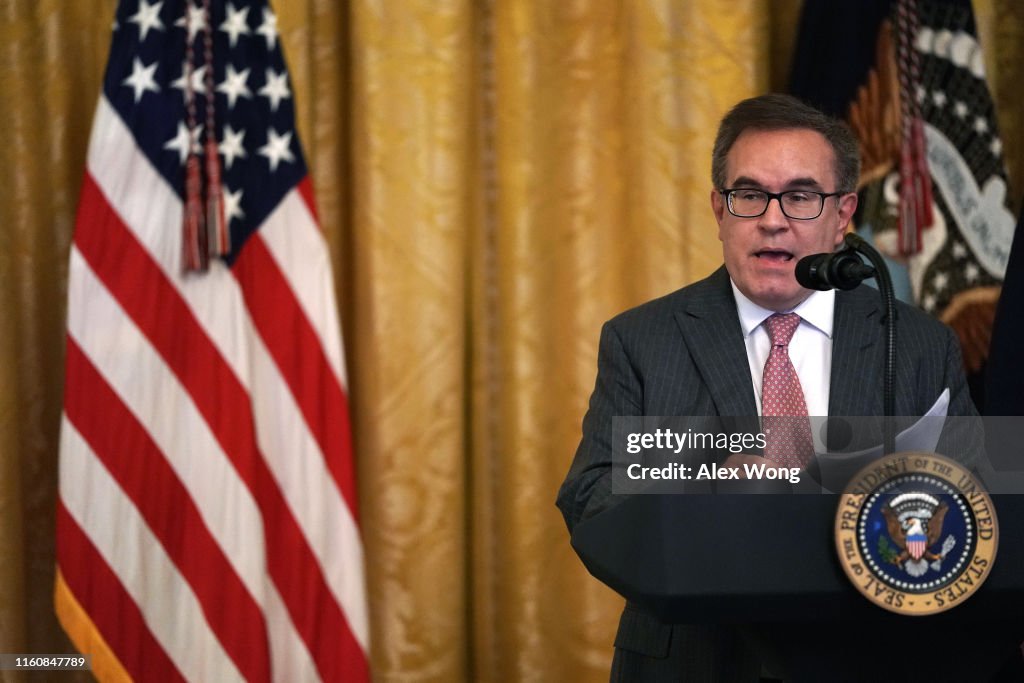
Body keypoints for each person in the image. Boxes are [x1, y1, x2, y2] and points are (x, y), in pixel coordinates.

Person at [556, 94, 1021, 681]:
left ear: (843, 213)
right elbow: (593, 494)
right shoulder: (643, 339)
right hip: (696, 662)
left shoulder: (920, 344)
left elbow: (979, 507)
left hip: (873, 656)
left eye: (801, 197)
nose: (772, 219)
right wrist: (724, 474)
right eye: (749, 195)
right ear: (719, 210)